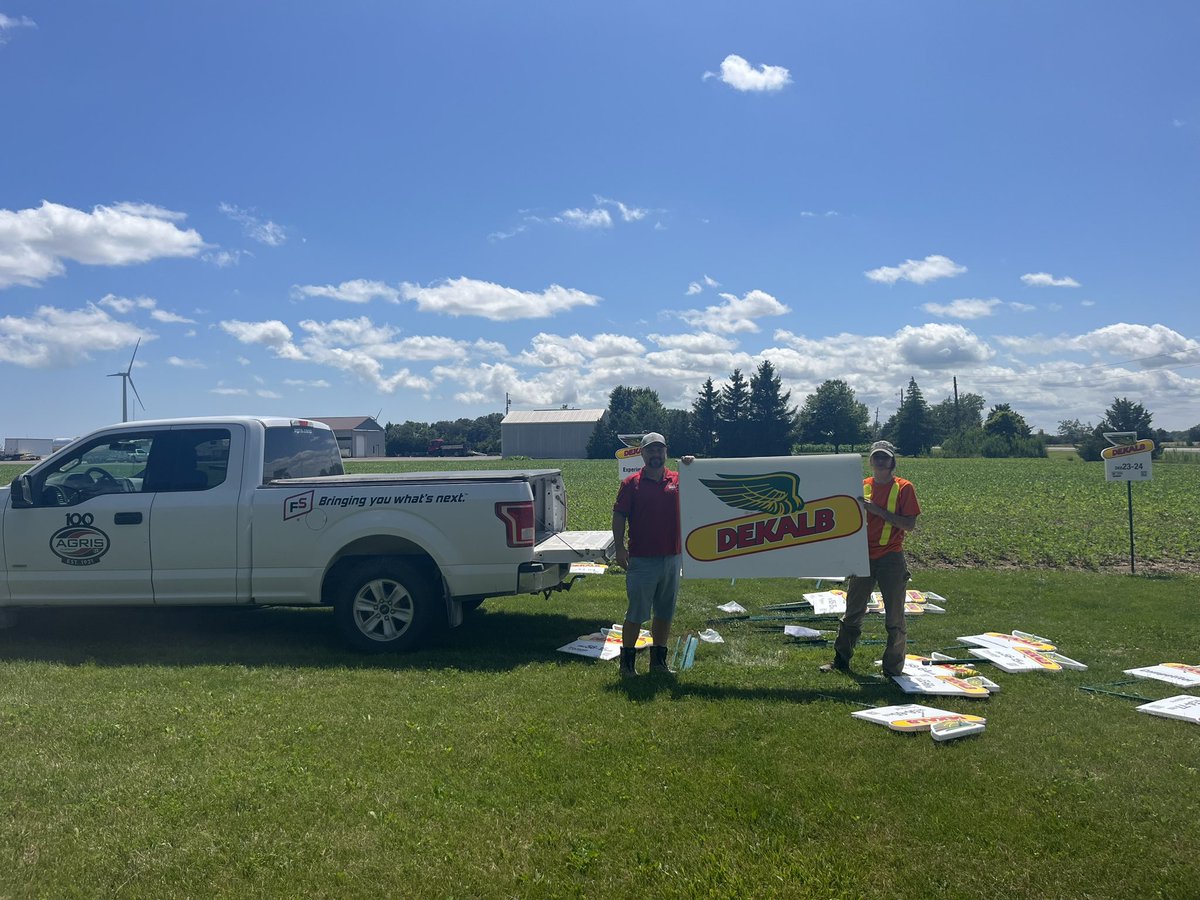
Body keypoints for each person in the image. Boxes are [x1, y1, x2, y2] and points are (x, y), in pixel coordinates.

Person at [822, 440, 921, 678]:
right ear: (870, 460)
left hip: (891, 558)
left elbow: (909, 524)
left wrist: (877, 510)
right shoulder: (861, 486)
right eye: (876, 457)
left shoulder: (904, 488)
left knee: (895, 616)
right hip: (862, 557)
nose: (880, 461)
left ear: (892, 461)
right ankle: (841, 660)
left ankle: (893, 669)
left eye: (884, 457)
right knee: (852, 612)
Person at [611, 432, 690, 678]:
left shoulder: (679, 479)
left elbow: (702, 489)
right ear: (642, 454)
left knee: (665, 612)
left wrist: (692, 465)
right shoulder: (631, 484)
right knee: (637, 613)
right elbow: (619, 516)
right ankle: (627, 665)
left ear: (666, 452)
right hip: (642, 559)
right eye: (650, 451)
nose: (656, 455)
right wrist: (620, 548)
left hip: (672, 557)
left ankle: (658, 663)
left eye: (660, 450)